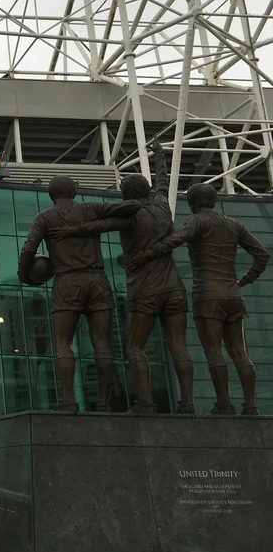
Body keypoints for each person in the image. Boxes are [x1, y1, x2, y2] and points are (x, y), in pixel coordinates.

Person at [48, 138, 195, 414]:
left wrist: (70, 231)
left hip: (145, 289)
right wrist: (159, 156)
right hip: (175, 288)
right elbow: (162, 182)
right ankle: (187, 403)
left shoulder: (131, 215)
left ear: (124, 195)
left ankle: (146, 403)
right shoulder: (162, 205)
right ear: (147, 190)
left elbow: (101, 225)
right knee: (178, 345)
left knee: (135, 347)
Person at [130, 182, 269, 415]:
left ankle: (224, 404)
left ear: (193, 203)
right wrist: (244, 280)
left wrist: (146, 255)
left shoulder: (196, 221)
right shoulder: (234, 224)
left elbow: (174, 240)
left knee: (214, 353)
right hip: (234, 296)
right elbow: (262, 255)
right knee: (239, 353)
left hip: (208, 296)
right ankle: (251, 405)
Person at [18, 177, 141, 411]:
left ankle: (68, 401)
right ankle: (104, 403)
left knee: (63, 343)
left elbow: (29, 249)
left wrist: (24, 275)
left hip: (67, 281)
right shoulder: (90, 208)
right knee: (103, 344)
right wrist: (95, 225)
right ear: (74, 191)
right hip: (97, 279)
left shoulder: (45, 217)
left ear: (51, 196)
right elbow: (133, 206)